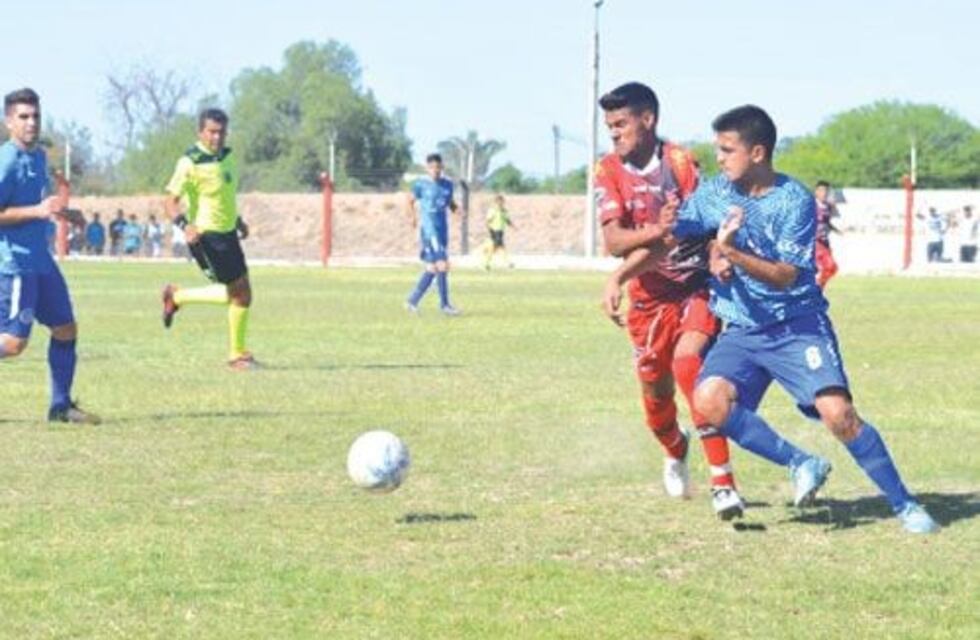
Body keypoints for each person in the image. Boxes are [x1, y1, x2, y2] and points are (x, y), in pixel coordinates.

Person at [669, 104, 938, 533]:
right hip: (742, 328)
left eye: (727, 150)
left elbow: (786, 276)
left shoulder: (793, 200)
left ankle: (905, 504)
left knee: (838, 415)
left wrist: (731, 251)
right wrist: (702, 245)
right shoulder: (714, 192)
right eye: (717, 149)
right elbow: (681, 233)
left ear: (758, 152)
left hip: (797, 325)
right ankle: (801, 462)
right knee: (708, 400)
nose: (719, 158)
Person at [594, 82, 743, 519]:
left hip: (694, 287)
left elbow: (705, 224)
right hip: (648, 299)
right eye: (609, 126)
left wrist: (717, 255)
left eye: (621, 124)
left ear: (648, 119)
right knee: (655, 394)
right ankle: (675, 447)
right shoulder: (607, 170)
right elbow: (614, 241)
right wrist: (652, 236)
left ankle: (723, 484)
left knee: (688, 364)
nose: (614, 133)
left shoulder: (680, 163)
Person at [0, 88, 99, 424]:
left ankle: (60, 407)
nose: (31, 122)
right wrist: (37, 210)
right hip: (15, 264)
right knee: (13, 344)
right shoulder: (6, 160)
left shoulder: (39, 157)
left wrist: (66, 214)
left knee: (65, 328)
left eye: (36, 116)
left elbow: (41, 206)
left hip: (41, 262)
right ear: (9, 121)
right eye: (23, 117)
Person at [160, 108, 256, 370]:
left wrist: (238, 221)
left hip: (229, 234)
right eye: (212, 132)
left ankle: (177, 297)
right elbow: (169, 202)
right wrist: (184, 226)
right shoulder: (190, 162)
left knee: (240, 292)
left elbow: (224, 196)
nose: (217, 137)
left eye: (221, 132)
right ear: (200, 132)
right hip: (207, 237)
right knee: (240, 293)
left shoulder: (228, 157)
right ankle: (236, 355)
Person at [404, 153, 460, 315]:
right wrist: (413, 217)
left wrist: (457, 210)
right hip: (429, 231)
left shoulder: (447, 185)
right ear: (427, 168)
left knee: (432, 268)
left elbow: (450, 203)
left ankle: (412, 301)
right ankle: (445, 305)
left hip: (442, 230)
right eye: (432, 167)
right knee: (443, 265)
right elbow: (409, 200)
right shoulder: (421, 185)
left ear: (442, 167)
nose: (435, 170)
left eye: (438, 167)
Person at [813, 180, 841, 288]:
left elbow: (826, 222)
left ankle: (817, 289)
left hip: (824, 241)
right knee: (830, 266)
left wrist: (836, 230)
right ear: (816, 192)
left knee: (831, 268)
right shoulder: (811, 205)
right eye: (821, 190)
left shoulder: (828, 206)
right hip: (815, 242)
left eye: (826, 191)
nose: (823, 193)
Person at [482, 194, 516, 270]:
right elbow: (488, 221)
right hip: (494, 231)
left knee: (496, 247)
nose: (501, 203)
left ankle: (486, 263)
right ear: (496, 202)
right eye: (499, 202)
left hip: (501, 231)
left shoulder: (504, 211)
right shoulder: (493, 210)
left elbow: (507, 220)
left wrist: (513, 227)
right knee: (500, 247)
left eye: (502, 202)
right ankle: (508, 263)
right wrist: (490, 230)